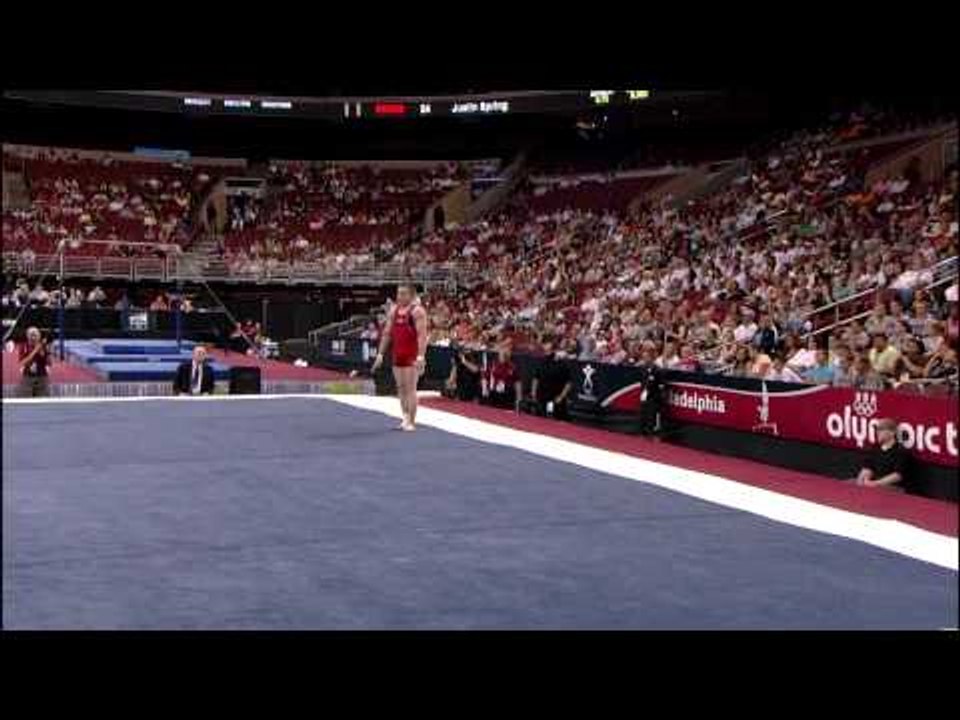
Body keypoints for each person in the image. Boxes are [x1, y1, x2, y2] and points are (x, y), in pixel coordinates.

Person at [371, 284, 428, 431]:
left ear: (411, 295)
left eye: (403, 294)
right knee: (401, 388)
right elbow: (387, 333)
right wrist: (380, 354)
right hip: (398, 354)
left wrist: (421, 356)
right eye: (398, 294)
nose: (399, 297)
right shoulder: (394, 311)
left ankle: (412, 422)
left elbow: (422, 335)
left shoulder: (417, 311)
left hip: (412, 354)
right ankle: (405, 418)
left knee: (410, 389)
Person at [851, 418, 910, 492]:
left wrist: (876, 483)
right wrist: (861, 481)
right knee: (848, 484)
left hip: (893, 488)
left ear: (892, 433)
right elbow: (868, 467)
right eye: (877, 429)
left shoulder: (900, 451)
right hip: (873, 484)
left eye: (881, 429)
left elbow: (897, 476)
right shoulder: (875, 448)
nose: (877, 432)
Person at [529, 341, 573, 421]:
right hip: (542, 398)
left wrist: (561, 396)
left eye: (549, 350)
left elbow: (569, 383)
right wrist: (533, 393)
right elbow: (536, 378)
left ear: (554, 350)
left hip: (556, 399)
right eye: (545, 350)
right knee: (540, 420)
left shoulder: (562, 364)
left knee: (557, 421)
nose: (547, 352)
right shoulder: (541, 362)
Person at [636, 346, 665, 436]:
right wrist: (643, 391)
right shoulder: (642, 368)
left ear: (652, 357)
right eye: (644, 357)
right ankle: (641, 431)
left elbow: (661, 385)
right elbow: (642, 381)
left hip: (653, 397)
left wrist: (658, 395)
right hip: (644, 395)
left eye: (647, 357)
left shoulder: (658, 370)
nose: (645, 359)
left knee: (651, 415)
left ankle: (650, 432)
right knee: (642, 414)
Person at [485, 344, 522, 412]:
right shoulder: (493, 364)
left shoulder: (513, 367)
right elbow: (487, 377)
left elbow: (517, 382)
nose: (504, 356)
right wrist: (486, 389)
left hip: (508, 394)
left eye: (506, 354)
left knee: (507, 413)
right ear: (499, 355)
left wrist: (519, 397)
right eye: (502, 354)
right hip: (494, 394)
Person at [19, 326, 50, 397]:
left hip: (42, 376)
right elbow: (23, 362)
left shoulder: (43, 346)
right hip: (27, 376)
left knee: (42, 400)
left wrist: (40, 347)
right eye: (31, 335)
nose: (33, 337)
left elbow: (45, 359)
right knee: (26, 400)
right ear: (27, 336)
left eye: (35, 335)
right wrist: (35, 350)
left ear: (39, 336)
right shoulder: (23, 346)